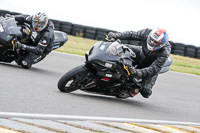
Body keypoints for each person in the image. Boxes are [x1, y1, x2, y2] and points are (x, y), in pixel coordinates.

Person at [106, 28, 171, 98]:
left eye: (155, 42)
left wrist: (137, 72)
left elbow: (154, 68)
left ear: (161, 44)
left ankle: (134, 89)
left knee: (146, 92)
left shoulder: (165, 51)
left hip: (150, 66)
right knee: (119, 48)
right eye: (151, 39)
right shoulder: (147, 33)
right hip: (141, 52)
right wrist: (116, 35)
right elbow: (132, 34)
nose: (152, 42)